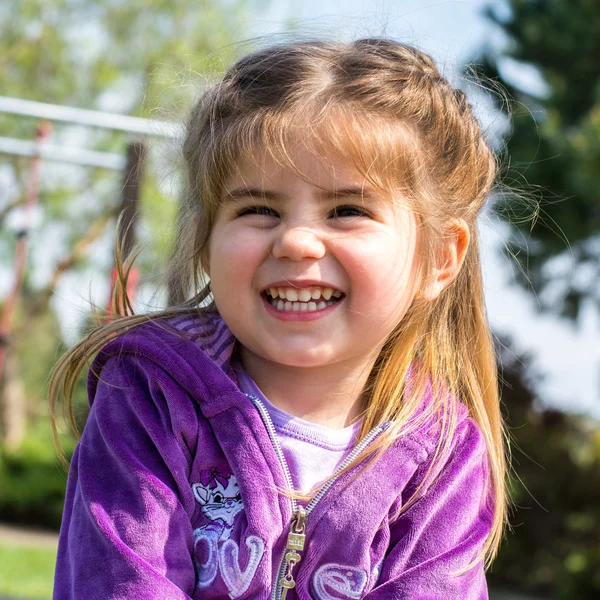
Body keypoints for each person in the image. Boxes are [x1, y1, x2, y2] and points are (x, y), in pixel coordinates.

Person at [50, 38, 508, 599]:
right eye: (258, 209)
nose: (294, 241)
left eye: (347, 210)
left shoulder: (441, 459)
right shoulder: (149, 399)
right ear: (205, 243)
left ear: (439, 259)